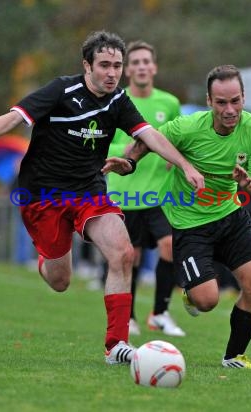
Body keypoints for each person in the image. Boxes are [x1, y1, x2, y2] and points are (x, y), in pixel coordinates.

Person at [0, 31, 204, 365]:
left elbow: (149, 135)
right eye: (104, 65)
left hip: (89, 190)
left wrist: (184, 165)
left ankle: (116, 346)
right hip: (44, 196)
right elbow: (16, 116)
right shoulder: (61, 90)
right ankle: (48, 260)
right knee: (60, 281)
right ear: (87, 65)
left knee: (123, 252)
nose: (112, 73)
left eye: (117, 65)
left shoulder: (118, 101)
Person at [131, 65, 251, 368]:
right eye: (221, 102)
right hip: (190, 222)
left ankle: (234, 356)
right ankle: (192, 292)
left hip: (230, 214)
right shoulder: (188, 127)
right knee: (206, 301)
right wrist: (129, 161)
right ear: (209, 101)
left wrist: (247, 183)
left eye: (235, 100)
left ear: (244, 98)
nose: (229, 109)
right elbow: (150, 138)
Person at [107, 40, 185, 337]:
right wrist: (123, 148)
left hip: (160, 193)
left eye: (145, 61)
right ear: (127, 70)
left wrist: (178, 157)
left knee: (170, 246)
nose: (141, 66)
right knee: (131, 256)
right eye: (135, 62)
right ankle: (129, 317)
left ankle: (161, 313)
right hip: (125, 193)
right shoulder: (116, 101)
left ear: (154, 67)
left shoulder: (169, 103)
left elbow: (180, 137)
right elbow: (100, 144)